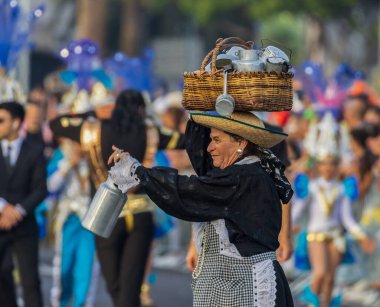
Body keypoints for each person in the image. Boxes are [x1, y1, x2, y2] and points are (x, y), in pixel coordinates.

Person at [109, 111, 294, 306]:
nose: (209, 147)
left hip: (245, 286)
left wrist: (138, 171)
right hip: (230, 285)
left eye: (216, 140)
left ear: (241, 143)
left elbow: (190, 192)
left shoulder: (243, 177)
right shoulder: (238, 174)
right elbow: (200, 171)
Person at [49, 89, 186, 307]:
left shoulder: (92, 129)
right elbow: (183, 140)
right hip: (141, 215)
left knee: (113, 283)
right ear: (141, 109)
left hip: (105, 213)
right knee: (131, 285)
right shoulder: (150, 132)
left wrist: (92, 112)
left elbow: (56, 124)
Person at [0, 102, 47, 307]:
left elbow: (40, 189)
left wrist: (17, 211)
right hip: (0, 223)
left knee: (30, 281)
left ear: (16, 123)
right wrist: (3, 208)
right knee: (2, 277)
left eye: (1, 121)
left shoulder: (34, 151)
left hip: (25, 223)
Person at [48, 138, 98, 307]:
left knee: (86, 268)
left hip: (89, 223)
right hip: (68, 221)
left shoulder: (96, 157)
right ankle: (60, 303)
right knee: (64, 268)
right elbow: (50, 186)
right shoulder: (61, 156)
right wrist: (68, 164)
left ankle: (82, 303)